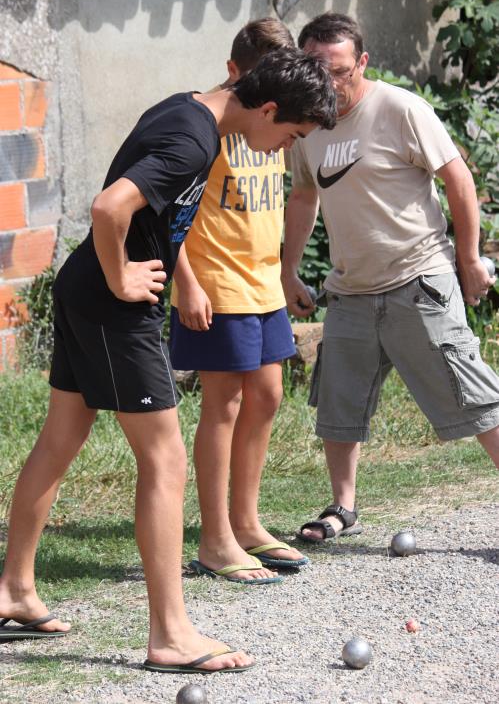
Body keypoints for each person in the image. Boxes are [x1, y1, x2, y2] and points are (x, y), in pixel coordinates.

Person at [0, 48, 336, 672]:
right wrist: (122, 277)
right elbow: (110, 208)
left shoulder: (186, 108)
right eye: (288, 135)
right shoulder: (193, 141)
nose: (280, 149)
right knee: (166, 457)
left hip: (88, 291)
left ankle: (14, 590)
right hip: (110, 302)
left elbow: (135, 209)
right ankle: (170, 635)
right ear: (266, 108)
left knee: (61, 437)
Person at [281, 13, 499, 544]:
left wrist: (468, 259)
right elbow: (305, 195)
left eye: (337, 71)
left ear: (361, 62)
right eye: (315, 69)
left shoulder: (400, 108)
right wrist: (287, 268)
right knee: (339, 404)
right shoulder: (308, 126)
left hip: (417, 278)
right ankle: (342, 508)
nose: (327, 83)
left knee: (474, 396)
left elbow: (458, 180)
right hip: (351, 289)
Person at [169, 18, 310, 585]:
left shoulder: (274, 125)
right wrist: (186, 282)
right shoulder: (206, 127)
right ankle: (214, 539)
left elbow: (295, 194)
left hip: (263, 283)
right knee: (222, 404)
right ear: (234, 72)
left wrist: (288, 271)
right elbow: (167, 212)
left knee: (269, 394)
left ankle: (246, 521)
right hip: (215, 284)